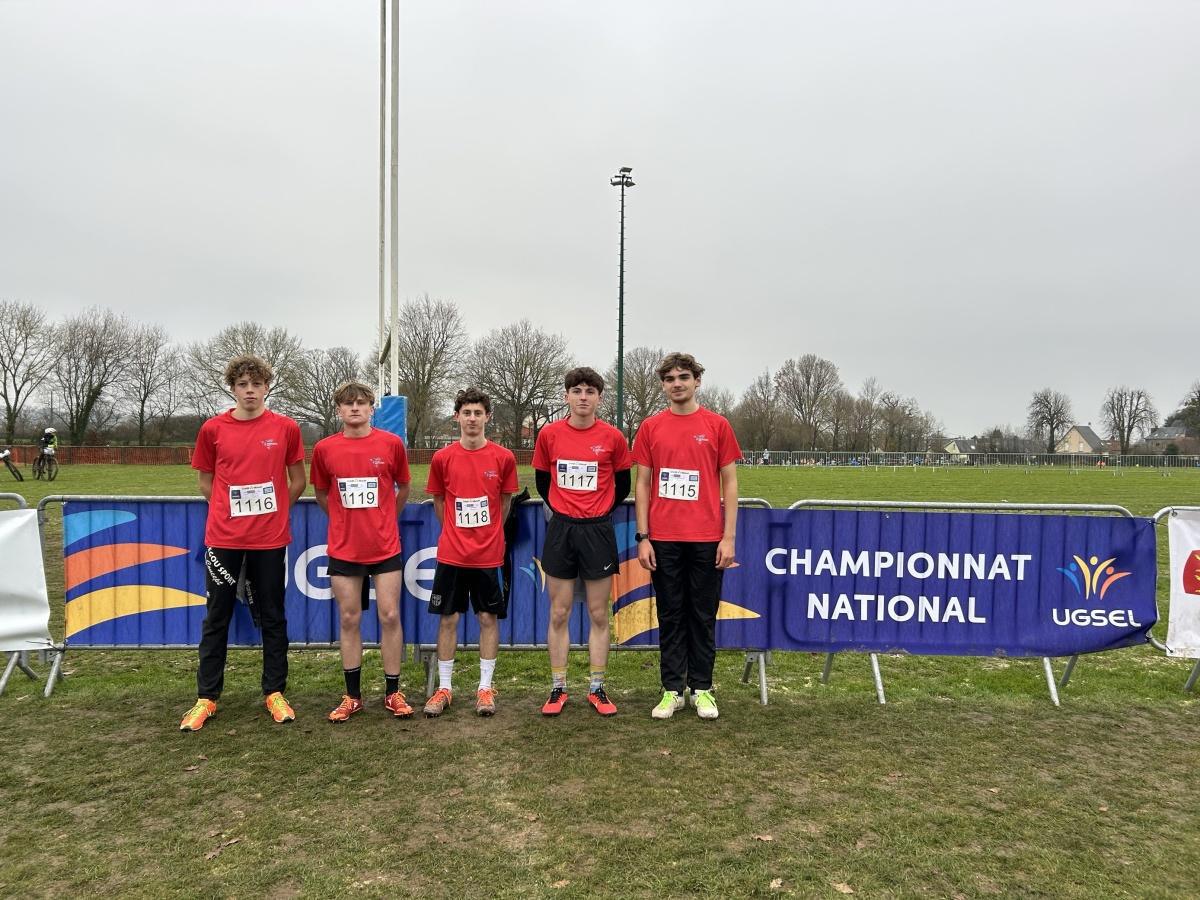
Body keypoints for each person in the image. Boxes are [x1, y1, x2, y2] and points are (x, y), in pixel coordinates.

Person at [179, 355, 306, 732]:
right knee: (217, 615)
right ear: (232, 388)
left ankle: (275, 692)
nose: (249, 390)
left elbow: (297, 480)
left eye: (256, 384)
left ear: (267, 387)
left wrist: (276, 513)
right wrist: (227, 512)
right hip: (224, 538)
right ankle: (206, 697)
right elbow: (206, 481)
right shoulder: (213, 429)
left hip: (270, 538)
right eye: (242, 384)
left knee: (273, 614)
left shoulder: (286, 428)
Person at [633, 352, 741, 721]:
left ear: (697, 381)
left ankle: (703, 689)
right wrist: (643, 537)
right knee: (671, 615)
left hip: (707, 539)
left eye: (684, 377)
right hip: (663, 539)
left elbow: (730, 482)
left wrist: (728, 538)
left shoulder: (717, 425)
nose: (677, 383)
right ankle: (671, 690)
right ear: (663, 385)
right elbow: (643, 483)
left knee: (702, 615)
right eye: (670, 378)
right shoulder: (650, 427)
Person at [310, 381, 413, 723]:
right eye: (348, 403)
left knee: (389, 616)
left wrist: (384, 519)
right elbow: (323, 494)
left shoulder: (390, 444)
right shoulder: (325, 449)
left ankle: (392, 692)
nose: (355, 408)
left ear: (372, 409)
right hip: (344, 548)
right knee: (350, 618)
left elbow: (403, 487)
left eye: (361, 403)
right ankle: (352, 695)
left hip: (384, 547)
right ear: (339, 410)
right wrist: (343, 521)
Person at [532, 367, 632, 717]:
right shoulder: (549, 435)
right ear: (566, 396)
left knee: (597, 612)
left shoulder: (613, 438)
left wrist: (597, 511)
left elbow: (622, 485)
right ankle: (558, 687)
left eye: (590, 391)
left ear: (599, 398)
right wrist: (566, 509)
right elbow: (543, 482)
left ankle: (597, 688)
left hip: (597, 531)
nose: (583, 396)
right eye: (577, 390)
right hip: (562, 530)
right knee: (559, 611)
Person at [423, 388, 518, 718]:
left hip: (489, 556)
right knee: (448, 619)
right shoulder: (442, 458)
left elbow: (505, 502)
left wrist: (490, 533)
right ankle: (445, 688)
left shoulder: (503, 458)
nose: (473, 418)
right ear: (457, 417)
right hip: (452, 554)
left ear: (487, 417)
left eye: (479, 413)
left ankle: (485, 688)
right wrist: (454, 532)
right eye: (467, 413)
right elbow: (438, 501)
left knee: (487, 618)